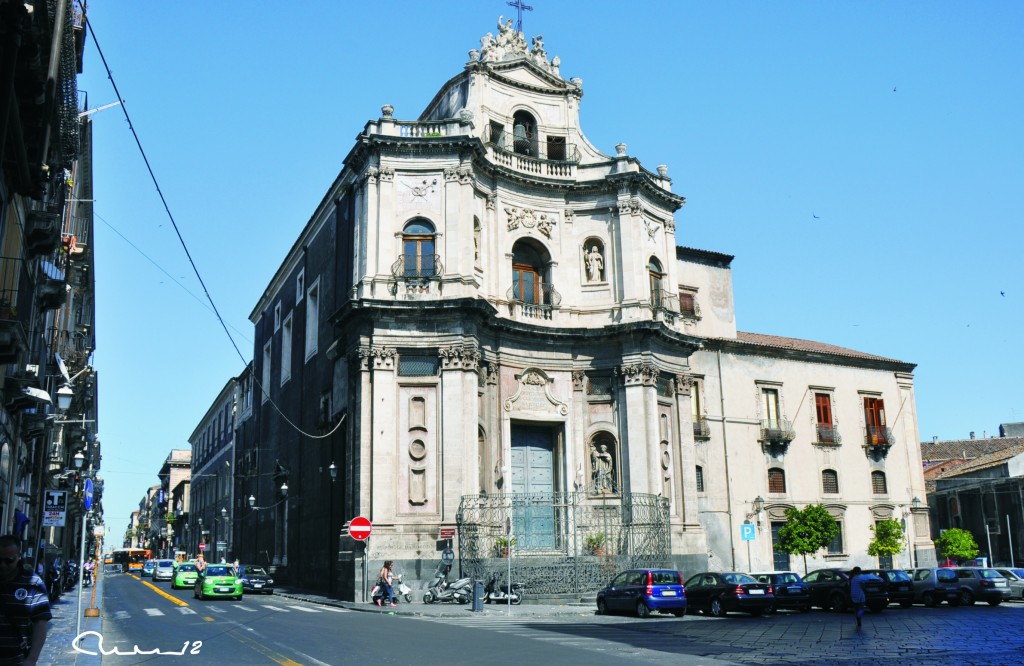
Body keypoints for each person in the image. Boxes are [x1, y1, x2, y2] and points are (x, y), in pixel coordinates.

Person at [0, 535, 51, 665]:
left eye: (9, 560)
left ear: (19, 557)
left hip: (16, 660)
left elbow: (41, 621)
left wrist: (32, 659)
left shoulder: (33, 583)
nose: (2, 565)